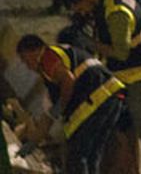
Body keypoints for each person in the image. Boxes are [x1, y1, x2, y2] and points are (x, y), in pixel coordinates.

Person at [67, 0, 141, 173]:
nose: (83, 12)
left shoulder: (117, 12)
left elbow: (120, 52)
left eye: (80, 7)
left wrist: (90, 44)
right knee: (126, 127)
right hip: (128, 73)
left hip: (139, 75)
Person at [16, 34, 125, 174]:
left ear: (34, 50)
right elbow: (49, 117)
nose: (27, 66)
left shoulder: (47, 57)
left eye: (25, 60)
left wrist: (60, 107)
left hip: (98, 99)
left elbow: (68, 80)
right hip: (111, 97)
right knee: (91, 155)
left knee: (77, 155)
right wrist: (32, 143)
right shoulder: (53, 71)